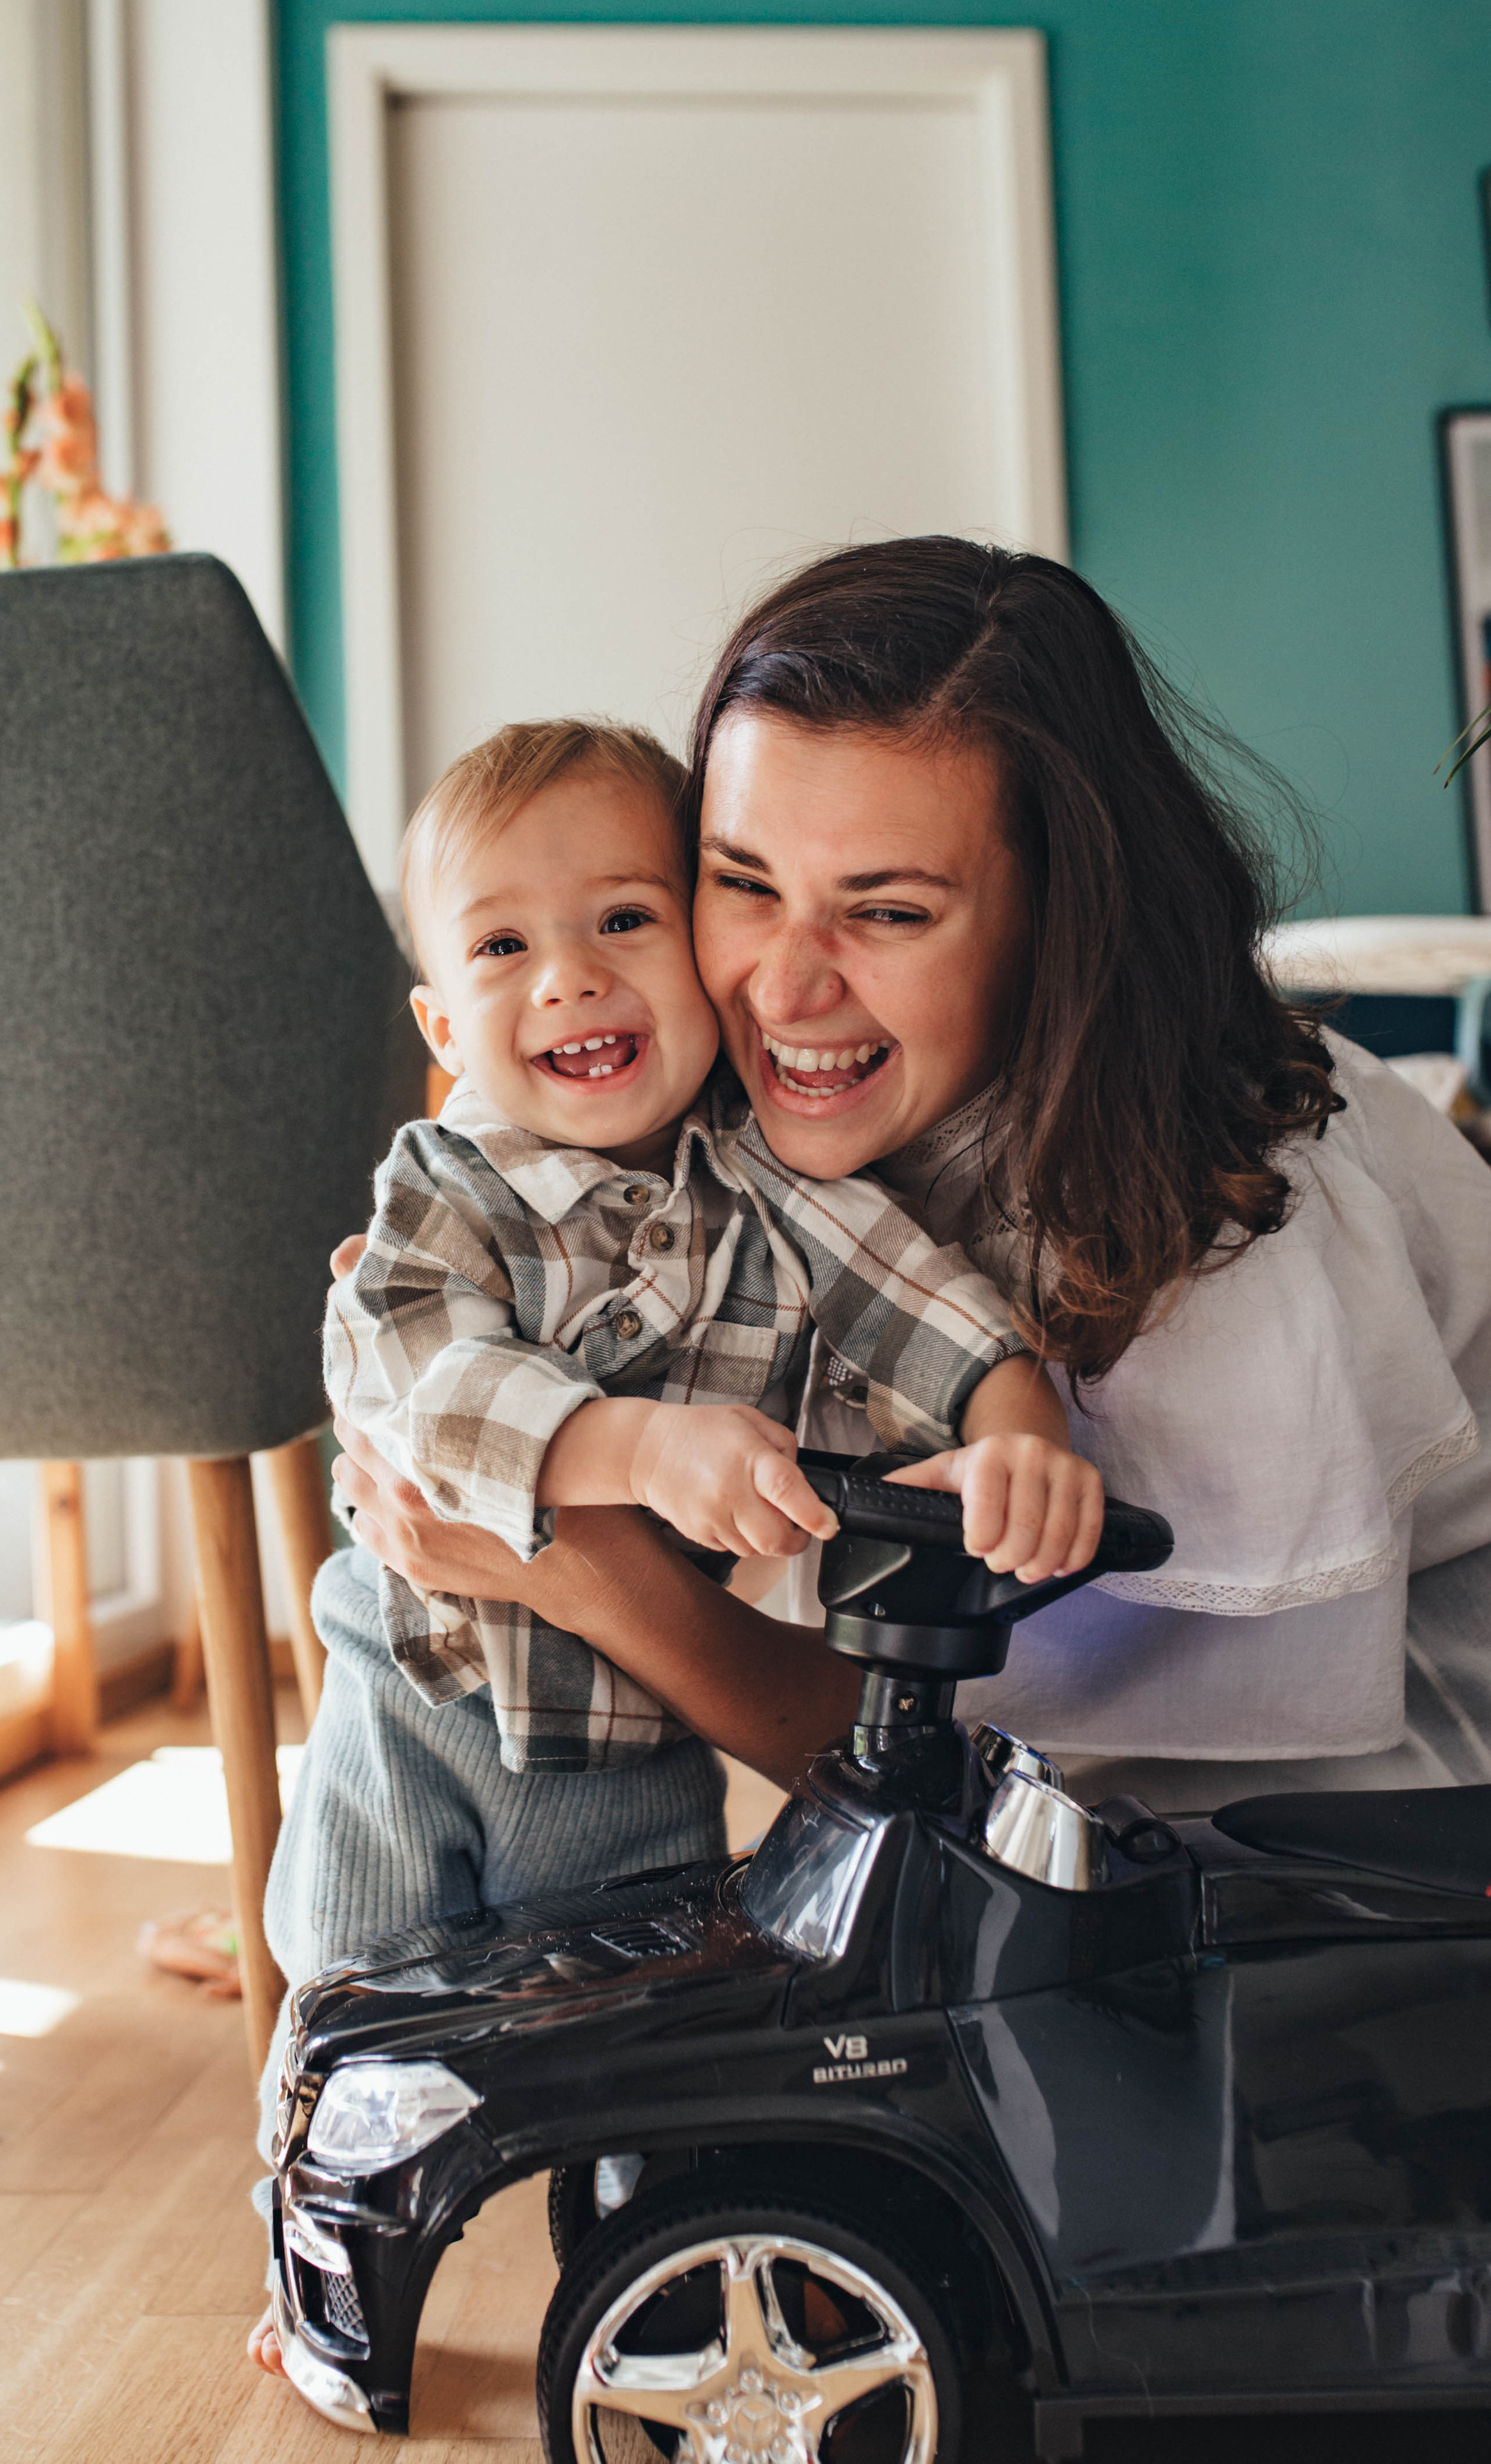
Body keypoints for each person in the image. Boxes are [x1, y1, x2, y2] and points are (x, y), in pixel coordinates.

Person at [330, 537, 1491, 1816]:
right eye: (741, 882)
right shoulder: (717, 1132)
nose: (784, 990)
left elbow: (978, 1778)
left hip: (1377, 1812)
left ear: (1059, 919)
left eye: (887, 912)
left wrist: (580, 1568)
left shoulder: (1225, 1229)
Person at [250, 705, 1102, 2375]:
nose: (569, 979)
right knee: (346, 2002)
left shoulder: (778, 1184)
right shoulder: (444, 1184)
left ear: (703, 961)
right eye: (504, 947)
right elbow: (417, 1373)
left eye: (622, 920)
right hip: (408, 1698)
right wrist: (633, 1445)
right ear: (441, 1022)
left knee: (653, 2049)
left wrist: (1022, 1431)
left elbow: (942, 1320)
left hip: (628, 1739)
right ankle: (321, 2287)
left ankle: (681, 2294)